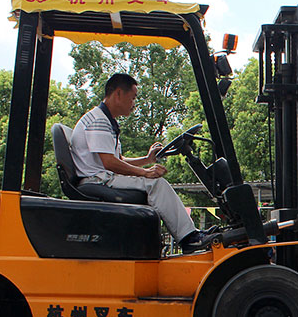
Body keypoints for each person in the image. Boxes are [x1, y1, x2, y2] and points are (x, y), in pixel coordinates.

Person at [70, 73, 216, 254]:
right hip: (99, 180)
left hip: (103, 176)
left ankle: (185, 236)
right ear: (118, 94)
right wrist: (145, 173)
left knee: (153, 183)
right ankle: (189, 238)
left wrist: (146, 160)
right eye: (132, 98)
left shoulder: (105, 120)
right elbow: (109, 163)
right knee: (156, 184)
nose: (133, 104)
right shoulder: (98, 121)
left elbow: (118, 160)